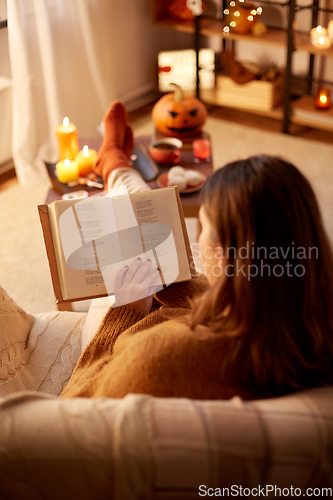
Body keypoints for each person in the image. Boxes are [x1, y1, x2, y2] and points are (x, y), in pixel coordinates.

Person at [60, 100, 333, 401]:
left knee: (134, 225)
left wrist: (126, 311)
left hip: (132, 332)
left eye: (202, 227)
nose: (198, 239)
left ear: (225, 253)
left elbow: (75, 403)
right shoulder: (310, 321)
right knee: (147, 212)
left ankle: (114, 164)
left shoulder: (159, 356)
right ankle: (116, 165)